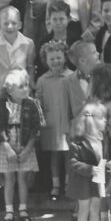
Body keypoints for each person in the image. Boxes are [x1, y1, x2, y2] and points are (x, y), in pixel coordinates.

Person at [0, 69, 41, 221]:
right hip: (7, 144)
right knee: (9, 178)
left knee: (22, 178)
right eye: (21, 86)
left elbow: (35, 129)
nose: (26, 89)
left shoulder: (31, 104)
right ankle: (9, 211)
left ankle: (23, 209)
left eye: (27, 85)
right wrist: (6, 146)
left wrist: (27, 149)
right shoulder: (2, 104)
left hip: (25, 143)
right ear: (10, 89)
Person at [68, 100, 111, 221]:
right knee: (84, 209)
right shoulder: (78, 142)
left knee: (96, 208)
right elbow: (73, 163)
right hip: (83, 182)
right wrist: (89, 169)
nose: (105, 120)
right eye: (102, 118)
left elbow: (104, 157)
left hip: (98, 180)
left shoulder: (102, 139)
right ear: (91, 121)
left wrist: (109, 164)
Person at [36, 40, 77, 202]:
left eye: (58, 57)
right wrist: (40, 121)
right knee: (54, 154)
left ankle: (68, 184)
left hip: (66, 120)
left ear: (64, 58)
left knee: (68, 154)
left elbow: (75, 101)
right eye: (51, 58)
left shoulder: (71, 77)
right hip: (50, 122)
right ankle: (55, 185)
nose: (55, 61)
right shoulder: (42, 80)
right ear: (46, 60)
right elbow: (38, 103)